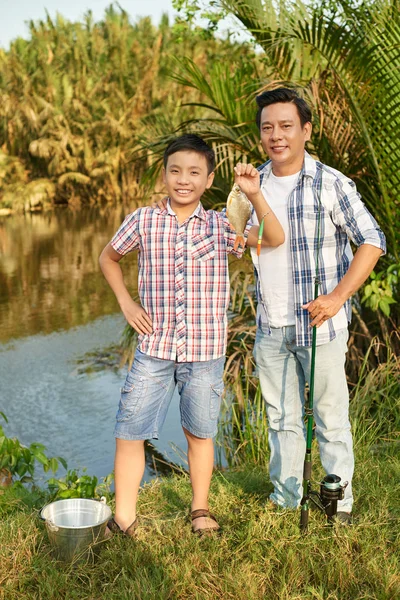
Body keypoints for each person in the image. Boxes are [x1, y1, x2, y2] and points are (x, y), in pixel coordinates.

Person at [99, 134, 284, 536]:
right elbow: (108, 257)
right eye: (176, 171)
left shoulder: (223, 225)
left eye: (195, 172)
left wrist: (253, 195)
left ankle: (199, 509)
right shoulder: (143, 220)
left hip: (205, 353)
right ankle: (124, 517)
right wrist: (127, 303)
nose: (184, 180)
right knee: (130, 431)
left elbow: (272, 239)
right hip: (154, 349)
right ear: (164, 175)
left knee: (200, 432)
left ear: (209, 178)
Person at [248, 88, 386, 522]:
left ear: (306, 130)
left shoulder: (331, 183)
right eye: (268, 127)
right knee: (281, 418)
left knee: (329, 418)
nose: (276, 135)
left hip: (319, 325)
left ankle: (339, 502)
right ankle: (286, 497)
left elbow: (372, 239)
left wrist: (337, 297)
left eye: (286, 126)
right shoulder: (252, 184)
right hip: (270, 325)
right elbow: (246, 239)